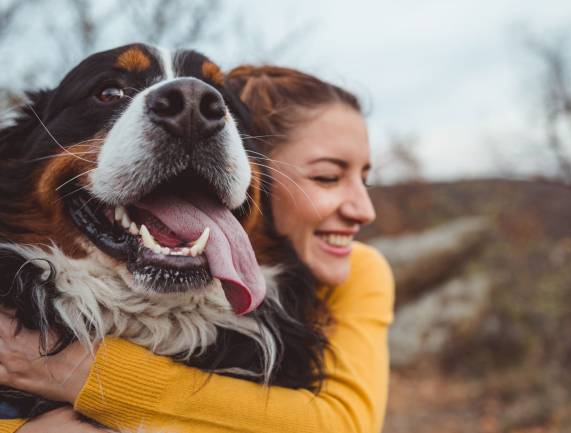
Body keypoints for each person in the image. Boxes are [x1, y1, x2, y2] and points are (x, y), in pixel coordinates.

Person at [0, 65, 394, 433]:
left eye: (365, 178)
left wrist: (84, 375)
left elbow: (342, 422)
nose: (365, 210)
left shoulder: (360, 270)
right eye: (327, 177)